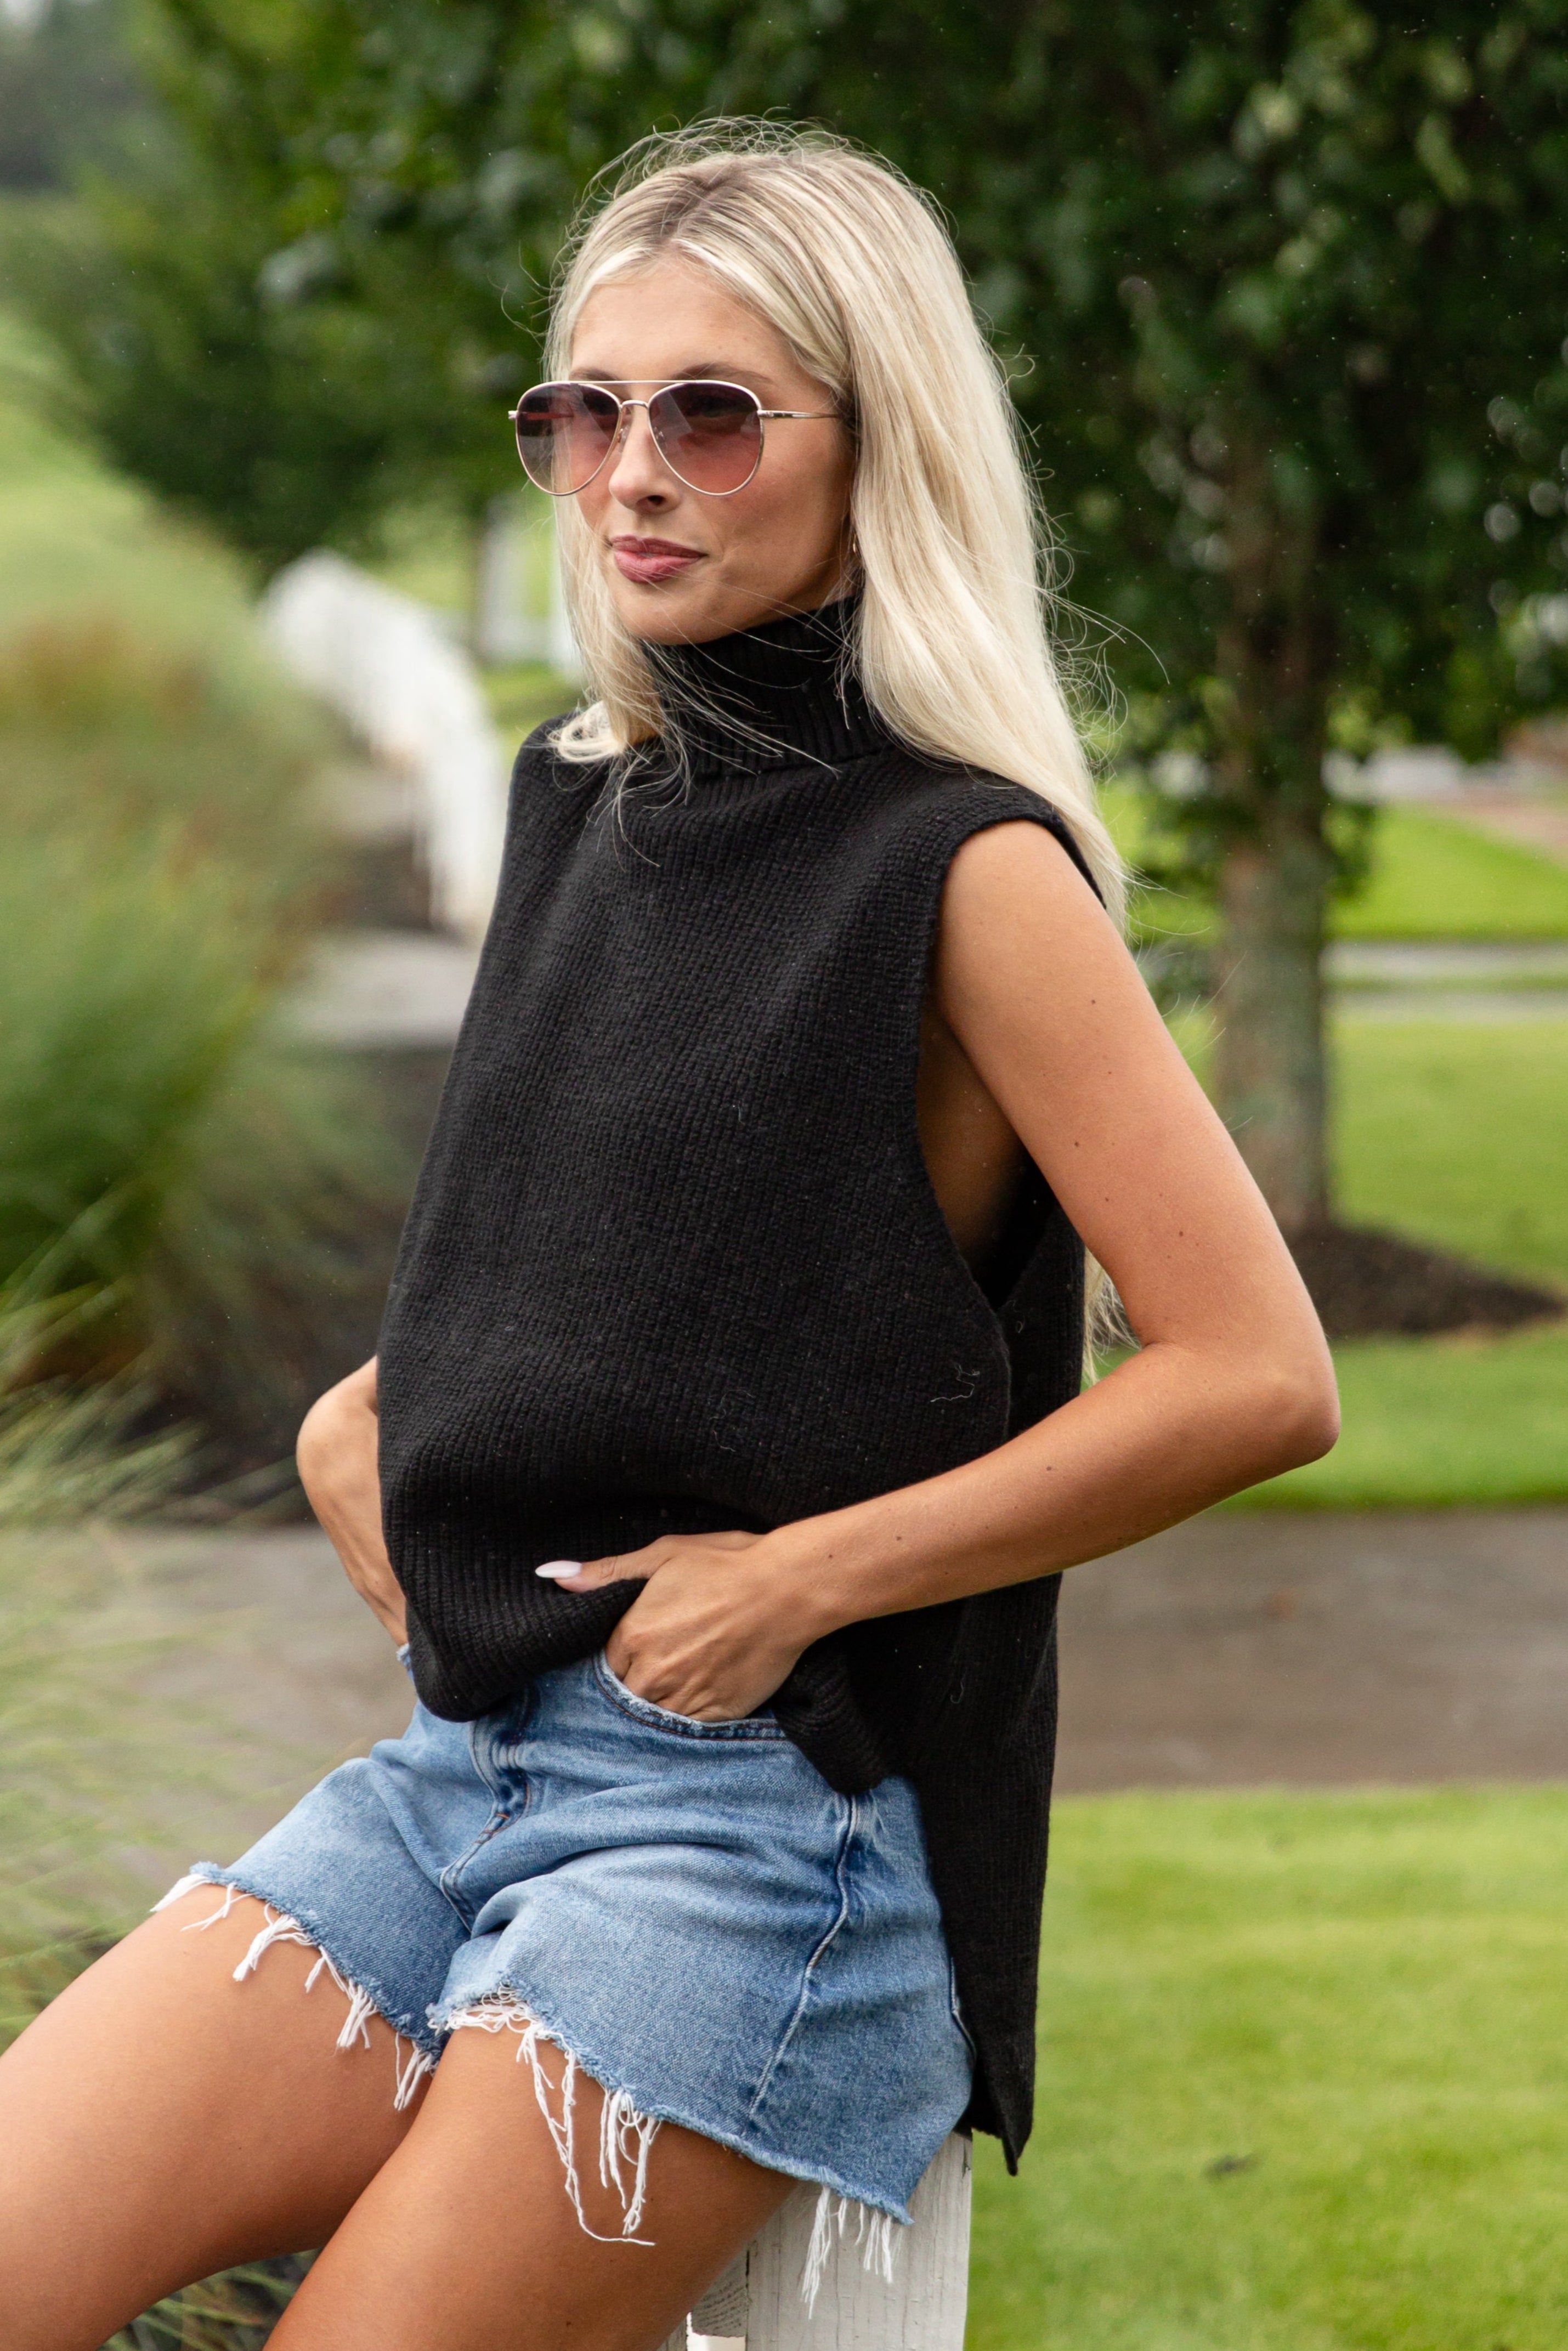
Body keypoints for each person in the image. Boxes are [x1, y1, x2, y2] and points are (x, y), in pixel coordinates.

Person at [0, 124, 1338, 2351]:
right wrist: (378, 1425)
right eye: (582, 409)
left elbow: (1254, 1371)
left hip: (764, 1845)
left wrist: (798, 1577)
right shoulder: (580, 803)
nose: (630, 469)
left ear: (869, 442)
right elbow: (601, 1241)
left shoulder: (964, 868)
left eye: (709, 411)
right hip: (463, 1772)